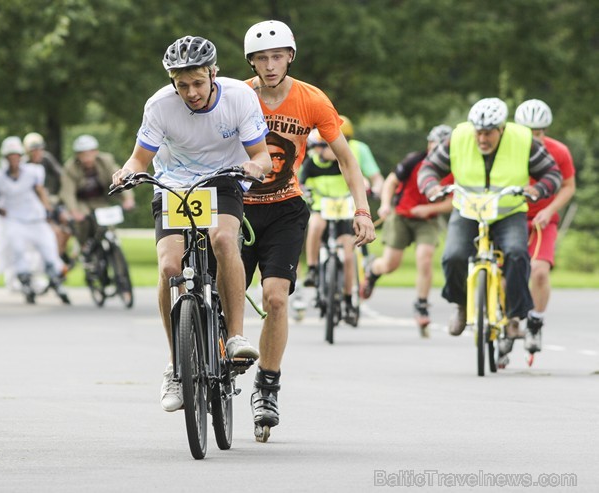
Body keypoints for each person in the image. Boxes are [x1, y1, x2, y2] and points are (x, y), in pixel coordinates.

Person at [110, 35, 271, 412]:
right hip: (174, 185)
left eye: (198, 82)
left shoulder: (239, 97)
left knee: (223, 240)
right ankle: (175, 367)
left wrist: (254, 166)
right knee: (169, 266)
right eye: (182, 85)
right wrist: (125, 172)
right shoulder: (160, 106)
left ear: (213, 73)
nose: (191, 92)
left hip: (223, 180)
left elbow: (261, 156)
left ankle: (234, 336)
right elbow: (139, 160)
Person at [241, 20, 376, 439]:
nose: (269, 65)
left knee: (275, 298)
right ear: (251, 62)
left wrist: (363, 210)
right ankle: (217, 359)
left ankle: (267, 384)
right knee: (220, 291)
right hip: (237, 207)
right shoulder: (238, 96)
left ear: (290, 57)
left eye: (276, 56)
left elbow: (346, 159)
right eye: (261, 58)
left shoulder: (312, 100)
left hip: (285, 208)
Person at [418, 98, 562, 347]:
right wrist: (431, 187)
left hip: (508, 212)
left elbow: (553, 174)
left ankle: (514, 316)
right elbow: (428, 168)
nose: (482, 139)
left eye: (488, 133)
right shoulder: (459, 137)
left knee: (517, 254)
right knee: (453, 256)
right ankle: (462, 306)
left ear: (501, 129)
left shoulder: (522, 139)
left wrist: (539, 189)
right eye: (479, 132)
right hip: (468, 211)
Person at [361, 124, 454, 337]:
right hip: (401, 215)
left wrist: (429, 209)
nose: (436, 149)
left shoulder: (455, 168)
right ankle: (372, 270)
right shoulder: (415, 160)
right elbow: (392, 181)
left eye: (442, 146)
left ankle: (421, 303)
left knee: (425, 256)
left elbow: (453, 202)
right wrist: (385, 204)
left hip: (427, 219)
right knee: (391, 264)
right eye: (433, 143)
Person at [514, 99, 576, 354]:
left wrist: (550, 210)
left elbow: (568, 186)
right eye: (527, 132)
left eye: (538, 133)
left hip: (543, 220)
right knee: (509, 271)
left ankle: (535, 322)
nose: (533, 138)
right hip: (511, 217)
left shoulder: (558, 151)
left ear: (545, 131)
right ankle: (506, 322)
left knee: (539, 272)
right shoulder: (507, 151)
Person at [0, 136, 70, 304]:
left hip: (35, 216)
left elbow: (40, 190)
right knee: (18, 250)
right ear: (6, 158)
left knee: (49, 250)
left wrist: (49, 210)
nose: (14, 159)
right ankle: (25, 282)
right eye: (10, 156)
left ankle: (57, 281)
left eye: (17, 156)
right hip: (13, 218)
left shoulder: (33, 171)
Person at [298, 129, 364, 325]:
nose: (330, 151)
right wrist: (303, 190)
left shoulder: (343, 163)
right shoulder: (311, 164)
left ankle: (347, 297)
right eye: (325, 147)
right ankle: (312, 268)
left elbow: (357, 179)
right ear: (318, 149)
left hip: (343, 211)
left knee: (348, 251)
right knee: (315, 224)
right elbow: (299, 183)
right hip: (322, 208)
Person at [59, 134, 135, 262]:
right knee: (83, 219)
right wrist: (74, 211)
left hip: (100, 200)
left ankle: (112, 249)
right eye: (83, 154)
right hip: (81, 201)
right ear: (78, 155)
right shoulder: (70, 168)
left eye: (90, 153)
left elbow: (120, 178)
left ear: (96, 152)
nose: (87, 157)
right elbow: (68, 192)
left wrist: (128, 199)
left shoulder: (106, 161)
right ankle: (83, 245)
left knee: (108, 224)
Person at [23, 132, 73, 268]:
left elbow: (62, 176)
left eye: (40, 149)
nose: (38, 153)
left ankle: (61, 254)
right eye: (34, 150)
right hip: (35, 205)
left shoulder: (47, 160)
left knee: (68, 225)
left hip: (50, 201)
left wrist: (63, 196)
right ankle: (54, 262)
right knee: (55, 231)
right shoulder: (24, 166)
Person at [340, 115, 384, 197]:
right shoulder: (318, 149)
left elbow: (376, 178)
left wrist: (374, 191)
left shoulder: (360, 148)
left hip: (352, 201)